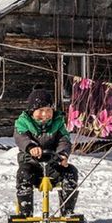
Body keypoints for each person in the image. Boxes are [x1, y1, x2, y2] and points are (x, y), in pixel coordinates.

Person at [13, 87, 79, 216]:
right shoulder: (23, 122)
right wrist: (31, 147)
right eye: (41, 110)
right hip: (32, 165)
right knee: (23, 174)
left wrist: (63, 154)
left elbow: (64, 140)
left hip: (53, 164)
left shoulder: (58, 122)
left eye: (48, 110)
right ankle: (25, 211)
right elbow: (20, 137)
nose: (45, 114)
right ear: (32, 111)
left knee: (71, 172)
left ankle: (68, 211)